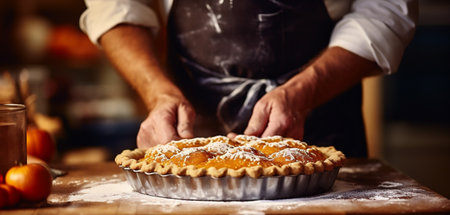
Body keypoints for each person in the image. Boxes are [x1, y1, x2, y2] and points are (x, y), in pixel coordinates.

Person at [80, 0, 418, 157]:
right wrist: (158, 94)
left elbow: (386, 8)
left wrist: (303, 91)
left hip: (322, 132)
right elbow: (114, 7)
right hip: (188, 140)